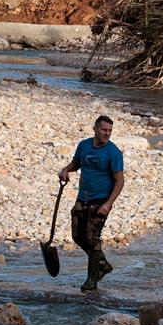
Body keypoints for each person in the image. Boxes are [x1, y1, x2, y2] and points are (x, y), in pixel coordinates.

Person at [57, 114, 125, 292]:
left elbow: (119, 181)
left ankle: (91, 280)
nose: (107, 134)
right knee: (77, 236)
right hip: (83, 197)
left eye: (110, 131)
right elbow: (76, 163)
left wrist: (109, 203)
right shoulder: (84, 145)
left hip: (101, 200)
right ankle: (102, 264)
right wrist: (66, 170)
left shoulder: (114, 153)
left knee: (92, 238)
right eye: (103, 130)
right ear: (95, 129)